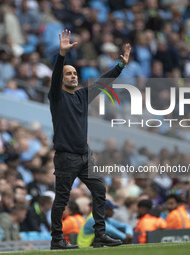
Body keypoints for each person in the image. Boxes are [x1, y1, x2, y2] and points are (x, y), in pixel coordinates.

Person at [49, 29, 131, 250]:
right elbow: (56, 74)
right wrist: (62, 56)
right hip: (66, 157)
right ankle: (57, 239)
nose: (73, 76)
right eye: (69, 74)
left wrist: (121, 66)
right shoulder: (56, 97)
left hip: (85, 156)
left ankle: (100, 234)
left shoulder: (82, 96)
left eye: (75, 73)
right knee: (62, 199)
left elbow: (103, 82)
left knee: (100, 190)